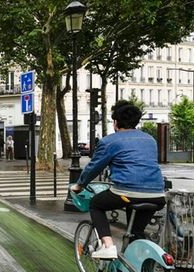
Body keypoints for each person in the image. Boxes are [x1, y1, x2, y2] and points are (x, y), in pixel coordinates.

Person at [70, 101, 166, 260]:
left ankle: (108, 246)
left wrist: (80, 185)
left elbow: (94, 167)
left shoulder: (110, 141)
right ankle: (140, 271)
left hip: (126, 191)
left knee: (96, 204)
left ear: (115, 122)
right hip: (157, 194)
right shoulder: (150, 139)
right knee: (136, 232)